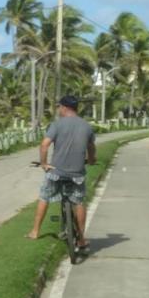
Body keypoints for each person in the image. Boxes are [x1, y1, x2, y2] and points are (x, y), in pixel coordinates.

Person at [27, 94, 96, 249]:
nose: (58, 109)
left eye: (59, 107)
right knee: (78, 202)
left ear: (64, 108)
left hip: (56, 172)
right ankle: (82, 239)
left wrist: (44, 163)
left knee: (44, 196)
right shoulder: (86, 126)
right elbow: (91, 147)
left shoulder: (57, 125)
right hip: (77, 174)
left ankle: (35, 231)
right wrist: (91, 160)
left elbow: (44, 145)